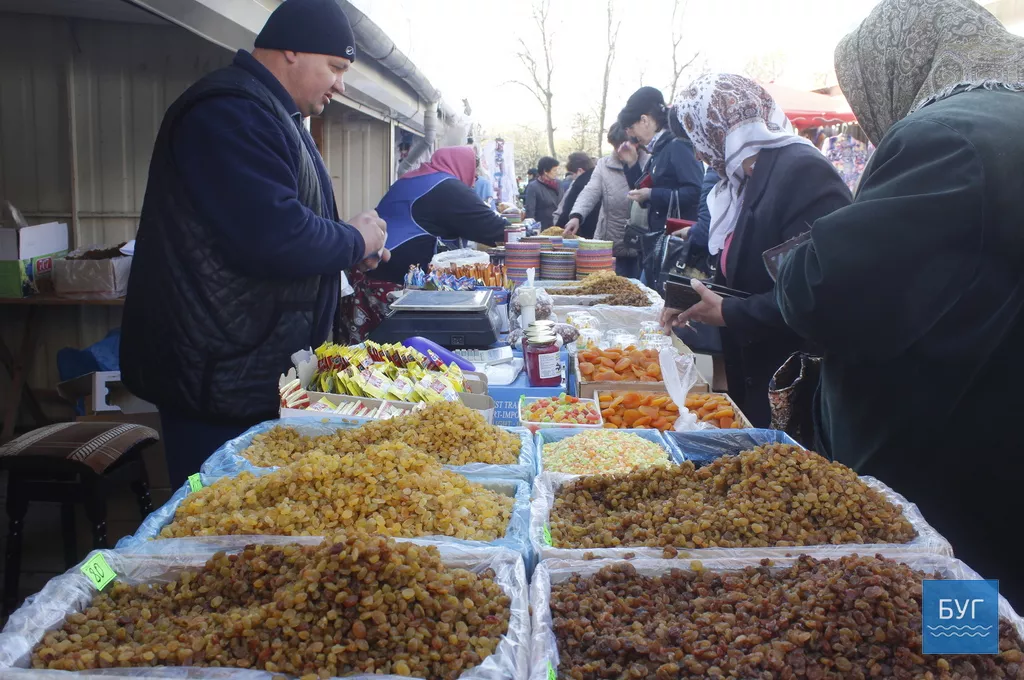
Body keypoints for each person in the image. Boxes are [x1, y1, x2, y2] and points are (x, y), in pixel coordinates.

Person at [775, 0, 1024, 606]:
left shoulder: (947, 135)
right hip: (997, 451)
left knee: (951, 630)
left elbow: (823, 290)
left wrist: (796, 257)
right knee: (995, 624)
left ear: (893, 66)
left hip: (955, 458)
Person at [120, 0, 388, 488]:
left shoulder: (274, 114)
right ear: (290, 50)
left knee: (255, 531)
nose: (341, 85)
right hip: (216, 378)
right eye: (335, 67)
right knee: (214, 532)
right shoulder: (230, 112)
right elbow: (275, 236)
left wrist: (352, 251)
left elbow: (288, 223)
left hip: (250, 373)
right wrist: (353, 238)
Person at [661, 73, 851, 428]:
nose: (700, 153)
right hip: (756, 371)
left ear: (719, 127)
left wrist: (732, 312)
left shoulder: (801, 171)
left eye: (698, 139)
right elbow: (753, 275)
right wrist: (691, 299)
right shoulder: (742, 183)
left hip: (796, 382)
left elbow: (820, 291)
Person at [368, 146, 508, 285]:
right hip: (399, 280)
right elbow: (494, 229)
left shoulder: (413, 179)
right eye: (474, 174)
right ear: (461, 166)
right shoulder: (446, 187)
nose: (474, 181)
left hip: (374, 267)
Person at [616, 86, 704, 234]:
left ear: (644, 120)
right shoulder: (660, 149)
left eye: (631, 128)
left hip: (676, 239)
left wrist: (651, 194)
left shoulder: (677, 145)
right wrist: (632, 163)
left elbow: (696, 191)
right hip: (660, 235)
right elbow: (644, 193)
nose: (631, 135)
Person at [564, 124, 639, 275]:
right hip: (608, 246)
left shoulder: (647, 162)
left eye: (623, 145)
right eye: (615, 146)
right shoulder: (603, 165)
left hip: (638, 247)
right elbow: (590, 191)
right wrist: (576, 216)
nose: (619, 151)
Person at [553, 152, 598, 238]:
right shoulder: (599, 178)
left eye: (572, 174)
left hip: (582, 234)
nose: (572, 178)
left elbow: (566, 212)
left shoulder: (579, 184)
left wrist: (556, 231)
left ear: (580, 171)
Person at [523, 156, 562, 228]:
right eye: (554, 170)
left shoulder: (559, 184)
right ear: (545, 171)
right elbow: (530, 211)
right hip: (543, 229)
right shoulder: (533, 187)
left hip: (559, 227)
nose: (557, 173)